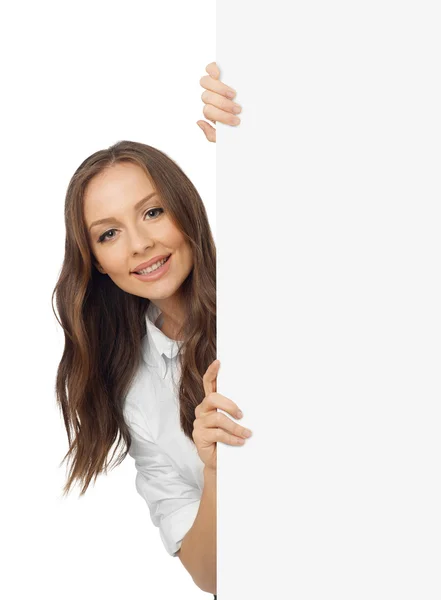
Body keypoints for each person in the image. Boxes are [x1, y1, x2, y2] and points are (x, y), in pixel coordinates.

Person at [52, 62, 252, 598]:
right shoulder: (136, 392)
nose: (139, 244)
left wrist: (255, 130)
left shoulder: (261, 284)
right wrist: (214, 470)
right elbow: (211, 576)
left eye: (155, 211)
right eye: (110, 233)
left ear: (185, 209)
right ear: (94, 260)